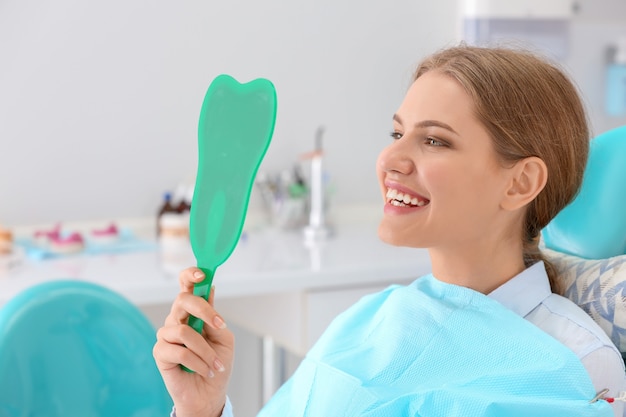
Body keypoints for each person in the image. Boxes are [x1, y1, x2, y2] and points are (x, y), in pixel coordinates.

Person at [153, 45, 626, 417]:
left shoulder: (577, 364)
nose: (391, 161)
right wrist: (203, 407)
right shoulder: (370, 321)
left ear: (521, 182)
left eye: (435, 140)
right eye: (397, 134)